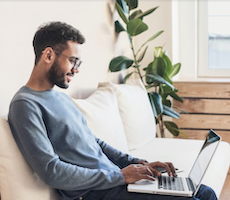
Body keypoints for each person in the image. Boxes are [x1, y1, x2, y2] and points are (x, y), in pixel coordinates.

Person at [8, 21, 217, 200]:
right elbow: (51, 170)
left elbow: (94, 142)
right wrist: (121, 176)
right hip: (94, 193)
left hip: (115, 181)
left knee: (204, 192)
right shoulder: (25, 105)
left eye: (78, 62)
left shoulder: (61, 97)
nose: (77, 69)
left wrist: (138, 164)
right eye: (73, 61)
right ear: (48, 55)